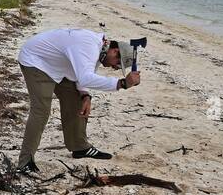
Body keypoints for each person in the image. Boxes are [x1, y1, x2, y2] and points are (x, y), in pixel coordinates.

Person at [15, 28, 141, 173]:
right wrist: (122, 83)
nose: (114, 67)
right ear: (114, 51)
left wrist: (85, 95)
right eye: (117, 64)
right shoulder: (89, 46)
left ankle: (80, 147)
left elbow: (82, 73)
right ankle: (25, 162)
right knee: (41, 111)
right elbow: (85, 77)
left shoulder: (100, 49)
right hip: (36, 60)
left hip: (59, 66)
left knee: (77, 100)